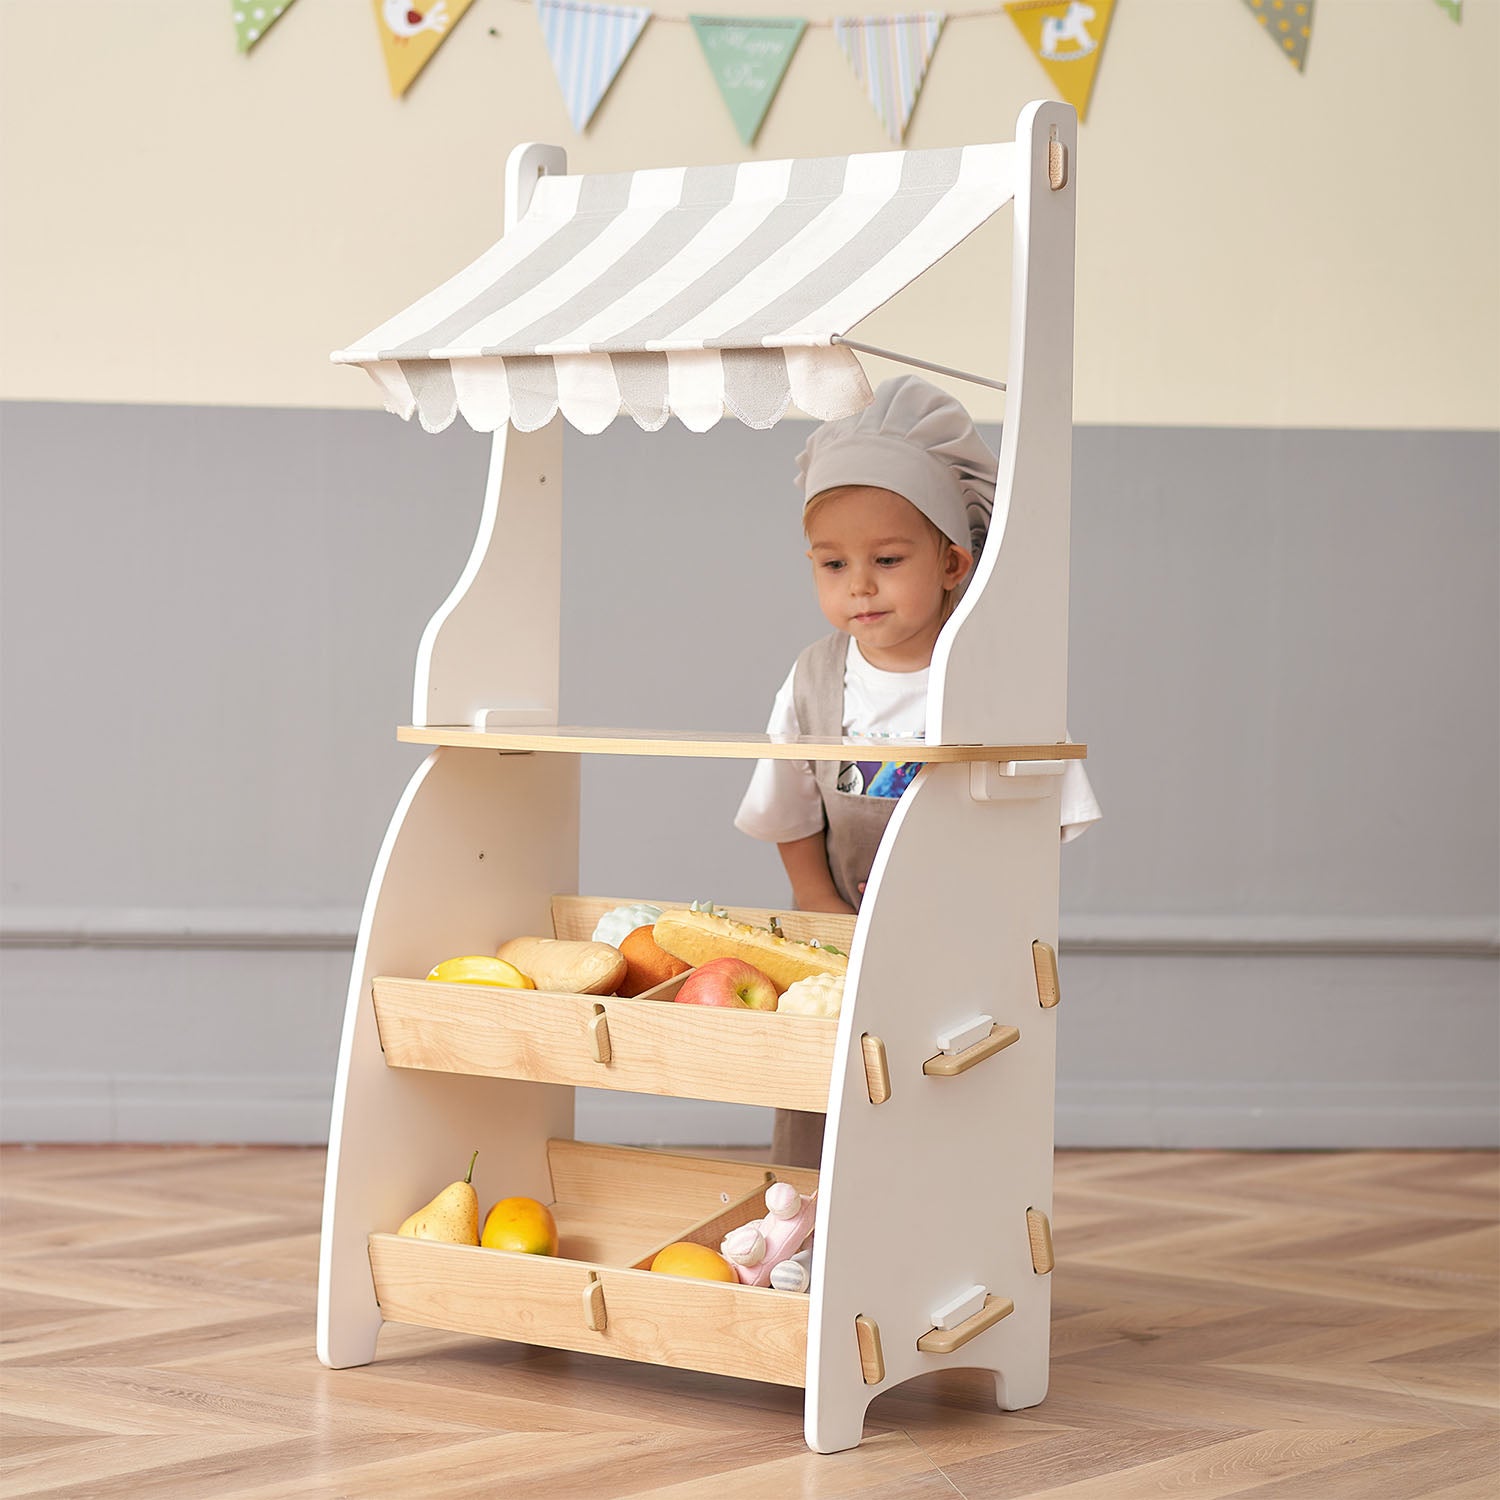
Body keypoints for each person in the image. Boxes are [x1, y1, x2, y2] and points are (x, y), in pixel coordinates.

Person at [732, 376, 1100, 1165]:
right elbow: (788, 809)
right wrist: (819, 905)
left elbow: (1041, 818)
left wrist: (976, 917)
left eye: (887, 558)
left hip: (963, 943)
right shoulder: (813, 681)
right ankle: (810, 1236)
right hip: (842, 935)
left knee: (942, 1096)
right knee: (831, 1092)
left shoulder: (993, 685)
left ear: (952, 563)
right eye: (832, 564)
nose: (858, 584)